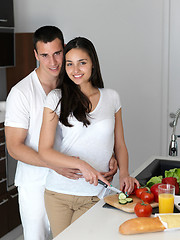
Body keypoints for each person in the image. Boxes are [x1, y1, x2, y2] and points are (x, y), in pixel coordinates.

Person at [5, 26, 118, 240]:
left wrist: (108, 155)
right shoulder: (21, 93)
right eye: (45, 56)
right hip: (35, 182)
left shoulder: (73, 84)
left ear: (64, 49)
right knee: (37, 237)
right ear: (36, 55)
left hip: (72, 184)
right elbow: (14, 146)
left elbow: (88, 129)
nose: (53, 62)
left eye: (57, 53)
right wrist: (54, 164)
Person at [38, 36, 140, 238]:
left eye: (82, 63)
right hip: (58, 193)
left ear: (93, 63)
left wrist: (125, 173)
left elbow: (120, 144)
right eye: (69, 64)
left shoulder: (112, 97)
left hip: (95, 194)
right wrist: (83, 165)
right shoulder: (56, 98)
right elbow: (45, 151)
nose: (75, 70)